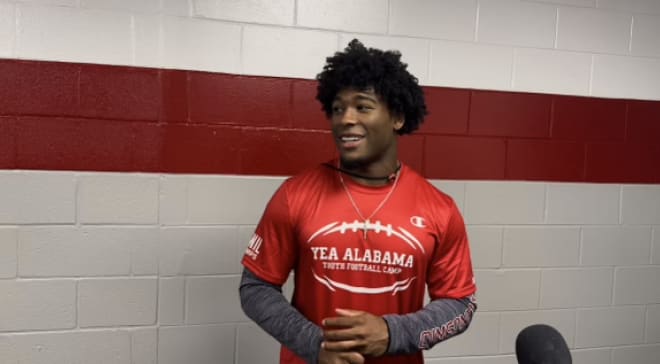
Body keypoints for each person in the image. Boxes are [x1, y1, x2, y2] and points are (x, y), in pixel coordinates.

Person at [239, 39, 477, 364]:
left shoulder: (438, 207)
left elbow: (460, 304)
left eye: (362, 107)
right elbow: (255, 287)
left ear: (397, 118)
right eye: (338, 109)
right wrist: (315, 344)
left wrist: (393, 333)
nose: (345, 119)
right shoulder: (295, 194)